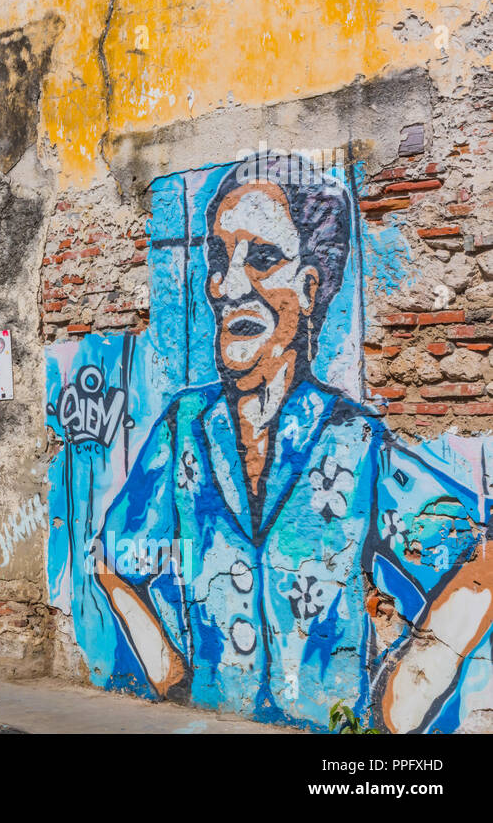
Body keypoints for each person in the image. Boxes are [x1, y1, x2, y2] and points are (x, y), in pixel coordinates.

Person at [93, 152, 493, 731]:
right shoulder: (184, 426)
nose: (228, 286)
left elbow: (477, 564)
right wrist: (169, 677)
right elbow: (113, 556)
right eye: (217, 258)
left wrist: (400, 705)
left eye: (262, 258)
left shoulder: (353, 441)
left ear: (309, 287)